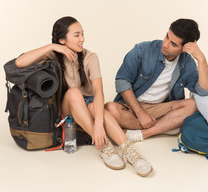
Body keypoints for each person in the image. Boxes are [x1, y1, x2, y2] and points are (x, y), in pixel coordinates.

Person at [15, 16, 152, 177]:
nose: (82, 39)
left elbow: (98, 91)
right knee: (73, 93)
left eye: (82, 34)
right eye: (77, 35)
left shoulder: (90, 57)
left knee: (94, 105)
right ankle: (104, 146)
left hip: (90, 106)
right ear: (62, 40)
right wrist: (53, 46)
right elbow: (19, 63)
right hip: (66, 110)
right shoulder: (53, 56)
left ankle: (130, 151)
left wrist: (99, 124)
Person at [105, 18, 208, 142]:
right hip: (131, 106)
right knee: (110, 109)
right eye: (167, 37)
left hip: (160, 108)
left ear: (185, 48)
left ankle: (145, 133)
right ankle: (166, 127)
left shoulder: (187, 63)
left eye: (173, 44)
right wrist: (140, 113)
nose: (165, 44)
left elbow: (205, 91)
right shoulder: (142, 50)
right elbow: (121, 82)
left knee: (193, 105)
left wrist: (201, 59)